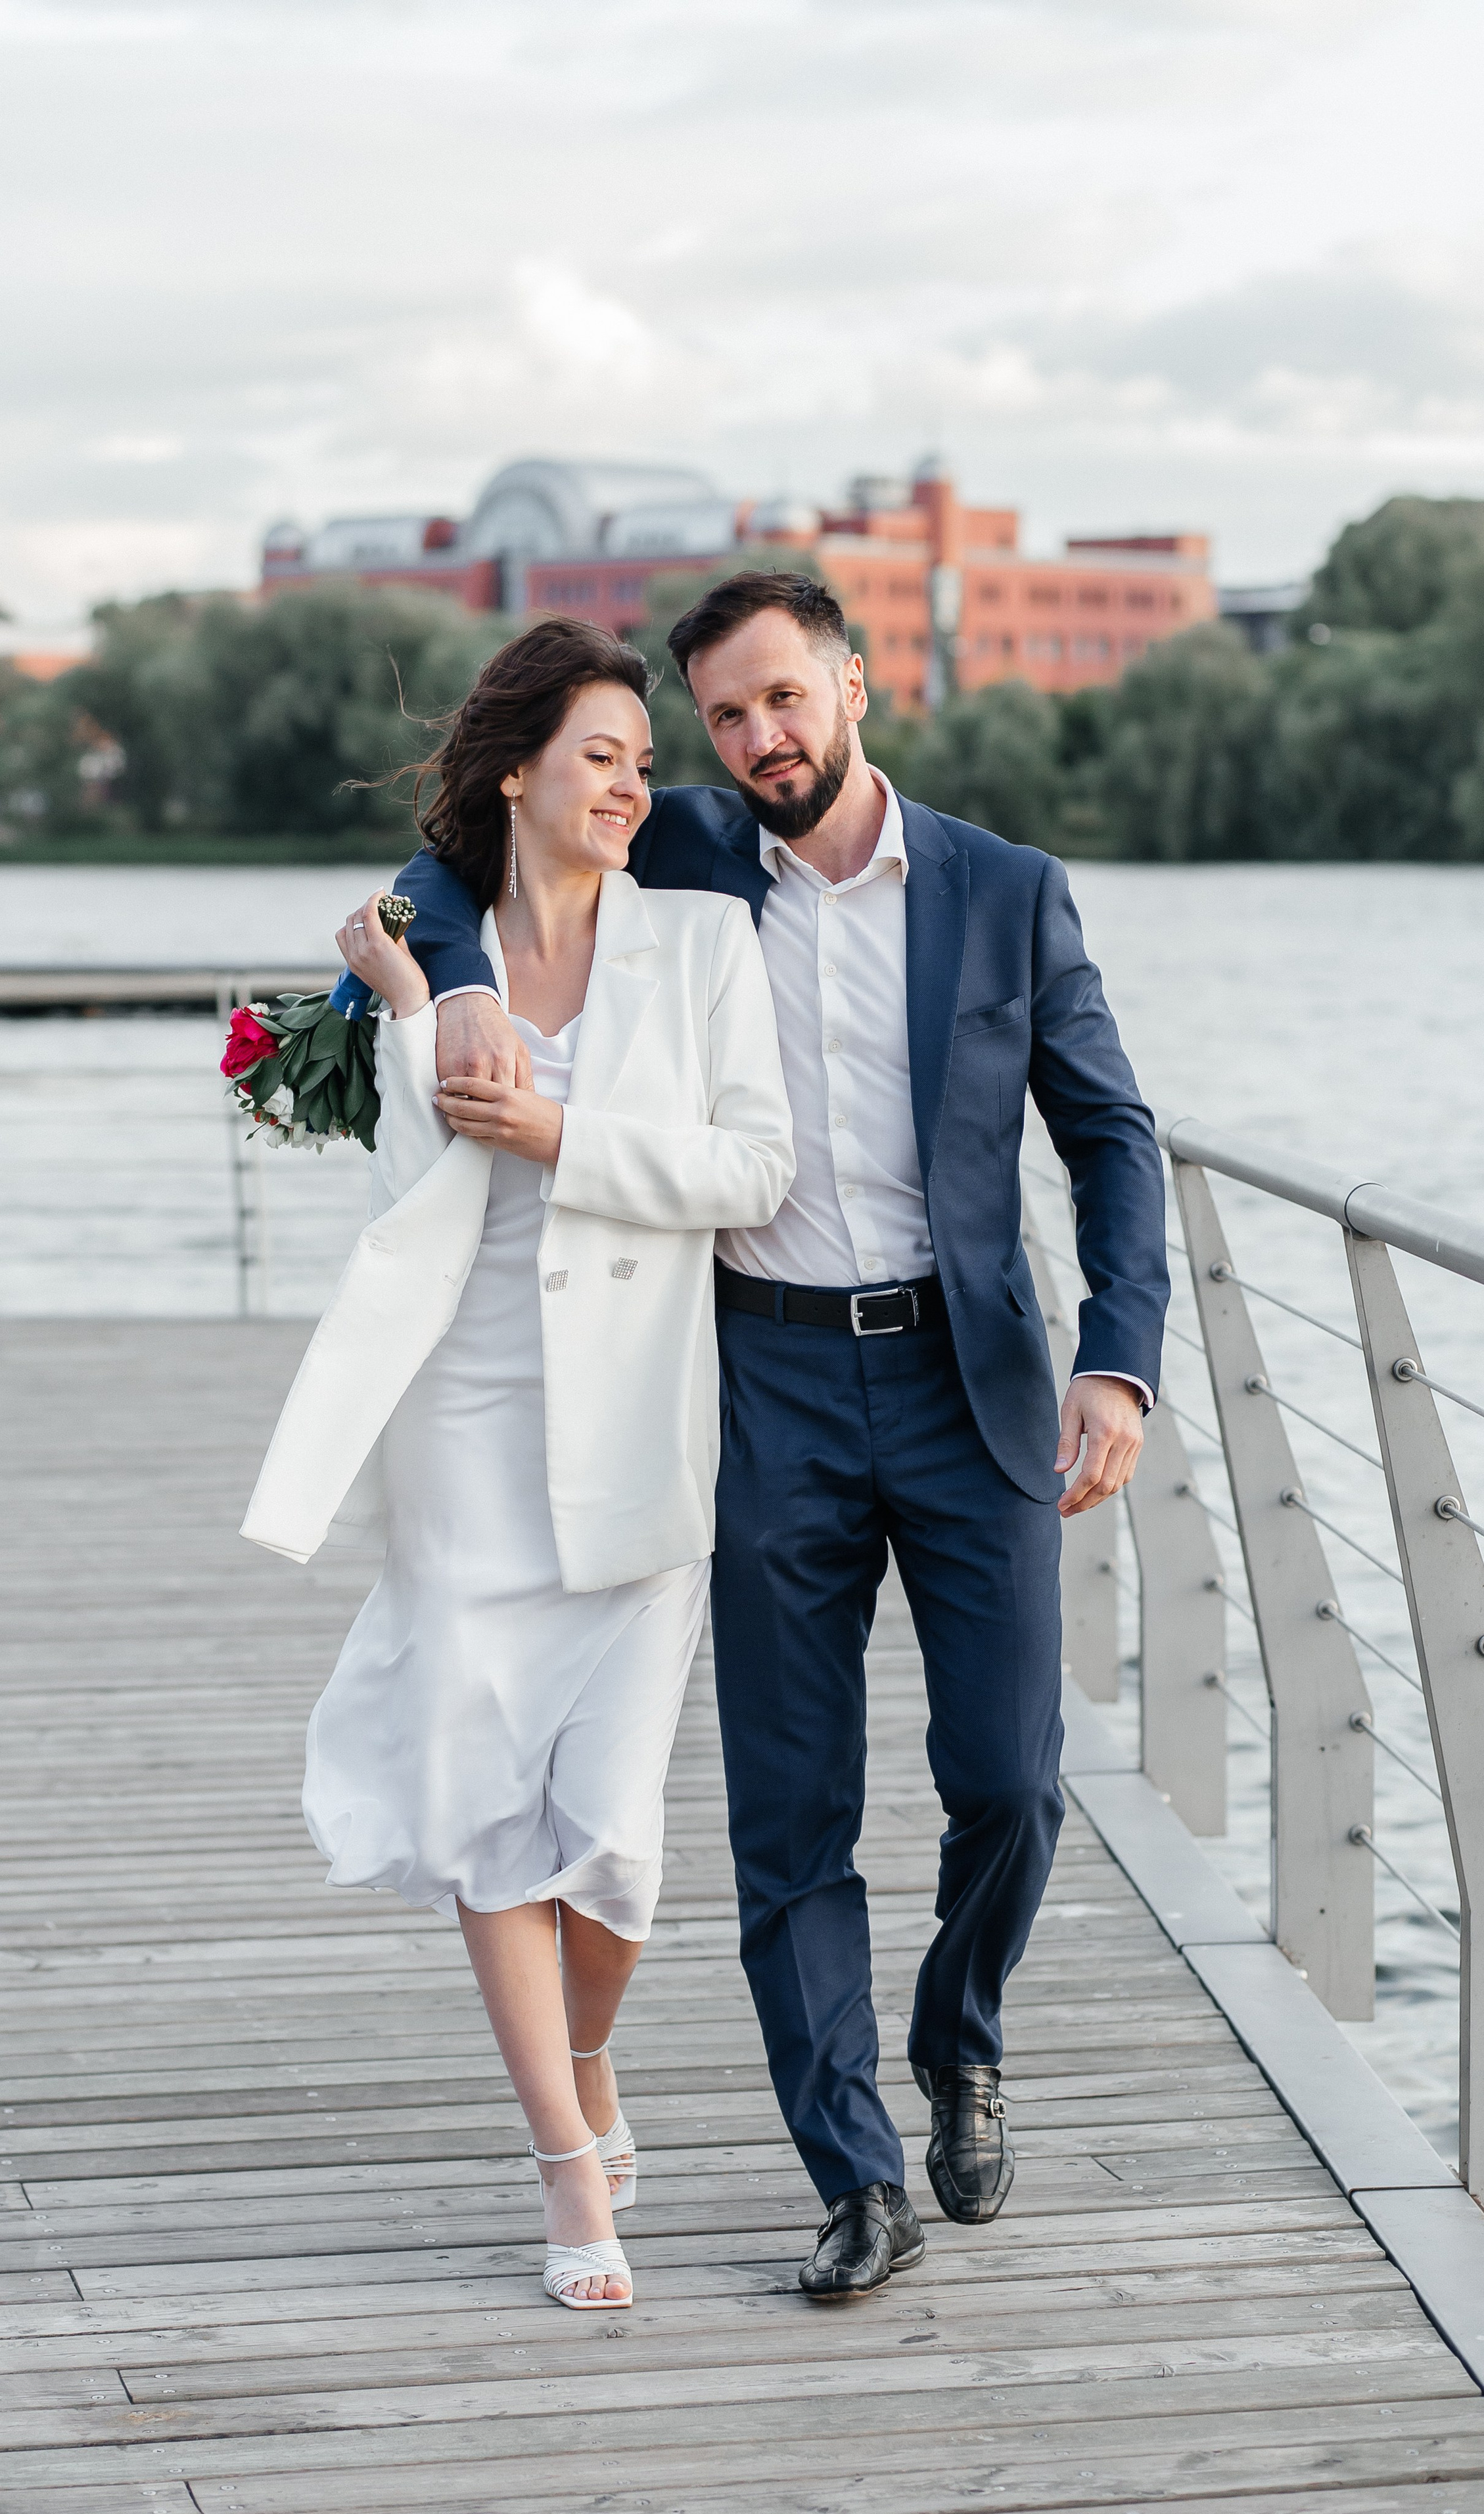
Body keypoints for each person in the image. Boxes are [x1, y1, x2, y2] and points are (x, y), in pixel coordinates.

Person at [385, 572, 1169, 2302]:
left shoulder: (1007, 892)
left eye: (781, 700)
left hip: (970, 1386)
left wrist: (1121, 1363)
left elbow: (1112, 1138)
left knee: (1012, 1780)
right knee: (789, 1813)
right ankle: (855, 2174)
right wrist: (457, 981)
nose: (756, 741)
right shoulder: (680, 845)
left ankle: (959, 2036)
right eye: (725, 717)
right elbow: (439, 863)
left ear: (853, 685)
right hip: (764, 1389)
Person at [240, 619, 793, 2312]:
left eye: (644, 760)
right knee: (490, 1810)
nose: (633, 787)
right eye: (600, 758)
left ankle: (591, 2056)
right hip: (466, 1420)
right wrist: (424, 1007)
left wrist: (567, 1133)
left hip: (638, 1423)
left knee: (615, 1840)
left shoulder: (705, 942)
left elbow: (756, 1173)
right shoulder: (425, 948)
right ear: (514, 777)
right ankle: (566, 2164)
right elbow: (409, 1180)